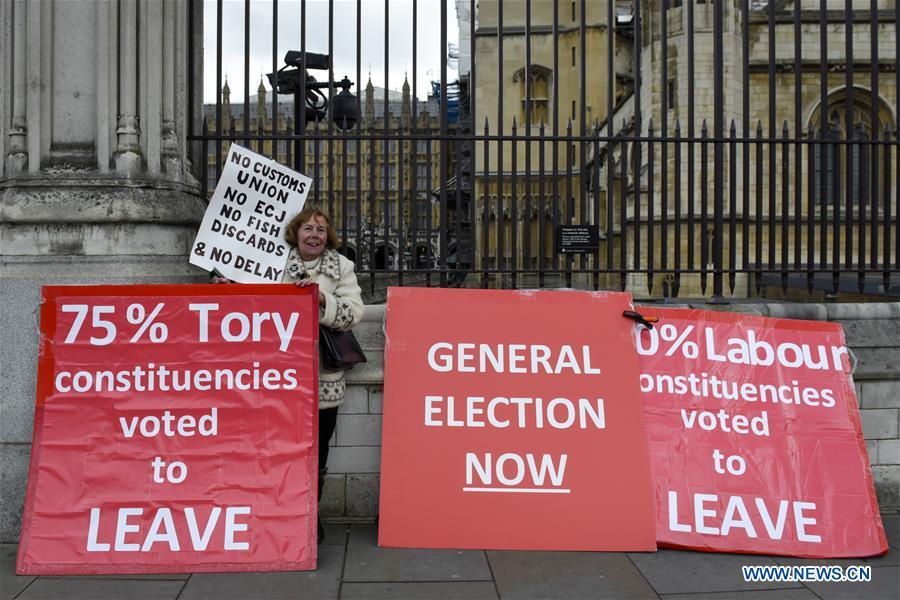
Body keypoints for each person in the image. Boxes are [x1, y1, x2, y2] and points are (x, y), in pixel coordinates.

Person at [282, 207, 364, 544]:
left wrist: (319, 300)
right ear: (296, 234)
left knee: (318, 452)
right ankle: (283, 513)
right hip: (281, 377)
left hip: (322, 380)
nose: (314, 235)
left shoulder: (341, 267)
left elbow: (353, 313)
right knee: (283, 450)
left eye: (320, 229)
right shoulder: (272, 262)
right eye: (308, 229)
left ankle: (308, 515)